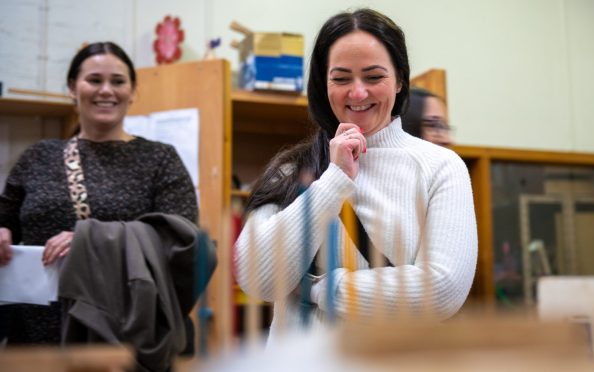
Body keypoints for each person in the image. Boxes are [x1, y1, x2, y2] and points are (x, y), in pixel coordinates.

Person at [234, 8, 477, 337]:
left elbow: (442, 291)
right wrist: (334, 181)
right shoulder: (291, 170)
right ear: (324, 83)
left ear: (401, 79)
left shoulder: (441, 167)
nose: (358, 93)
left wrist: (321, 291)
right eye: (341, 78)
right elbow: (257, 278)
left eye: (374, 77)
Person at [0, 41, 198, 345]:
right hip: (33, 331)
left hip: (118, 333)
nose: (106, 90)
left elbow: (180, 241)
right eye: (94, 80)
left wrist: (90, 240)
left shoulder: (160, 159)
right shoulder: (38, 157)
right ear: (71, 88)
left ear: (133, 92)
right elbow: (6, 217)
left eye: (118, 82)